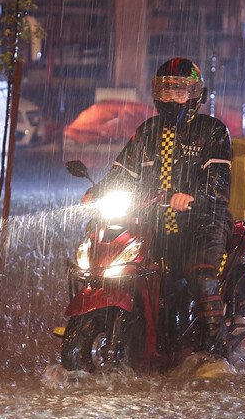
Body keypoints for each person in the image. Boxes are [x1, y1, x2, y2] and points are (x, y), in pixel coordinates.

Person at [81, 58, 233, 359]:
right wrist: (98, 191)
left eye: (178, 92)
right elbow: (121, 173)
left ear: (194, 95)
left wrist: (193, 197)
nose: (170, 99)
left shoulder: (213, 131)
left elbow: (217, 184)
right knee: (107, 263)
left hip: (201, 224)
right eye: (164, 92)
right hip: (153, 224)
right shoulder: (148, 131)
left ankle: (215, 354)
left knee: (202, 278)